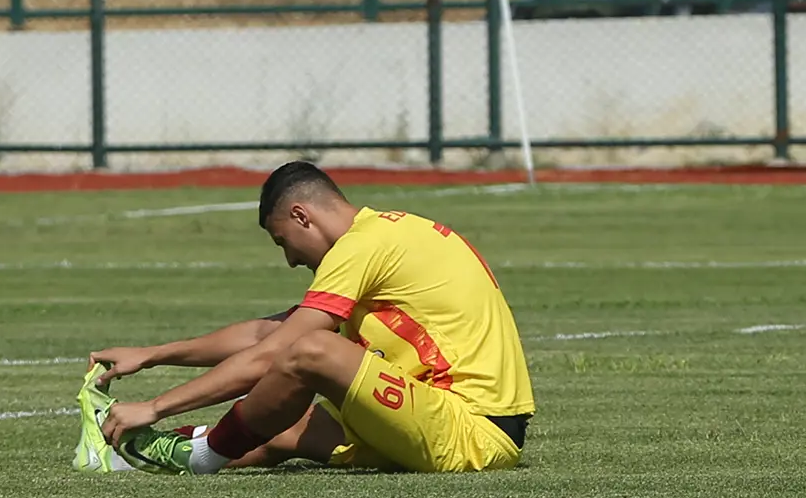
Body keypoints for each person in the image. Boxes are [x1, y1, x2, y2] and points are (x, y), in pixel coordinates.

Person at [81, 162, 535, 475]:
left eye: (283, 242)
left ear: (302, 216)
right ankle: (131, 455)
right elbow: (269, 331)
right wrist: (154, 355)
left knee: (313, 350)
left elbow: (282, 350)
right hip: (435, 413)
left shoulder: (363, 246)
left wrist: (156, 404)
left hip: (473, 429)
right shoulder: (384, 235)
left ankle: (202, 455)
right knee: (277, 430)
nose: (291, 261)